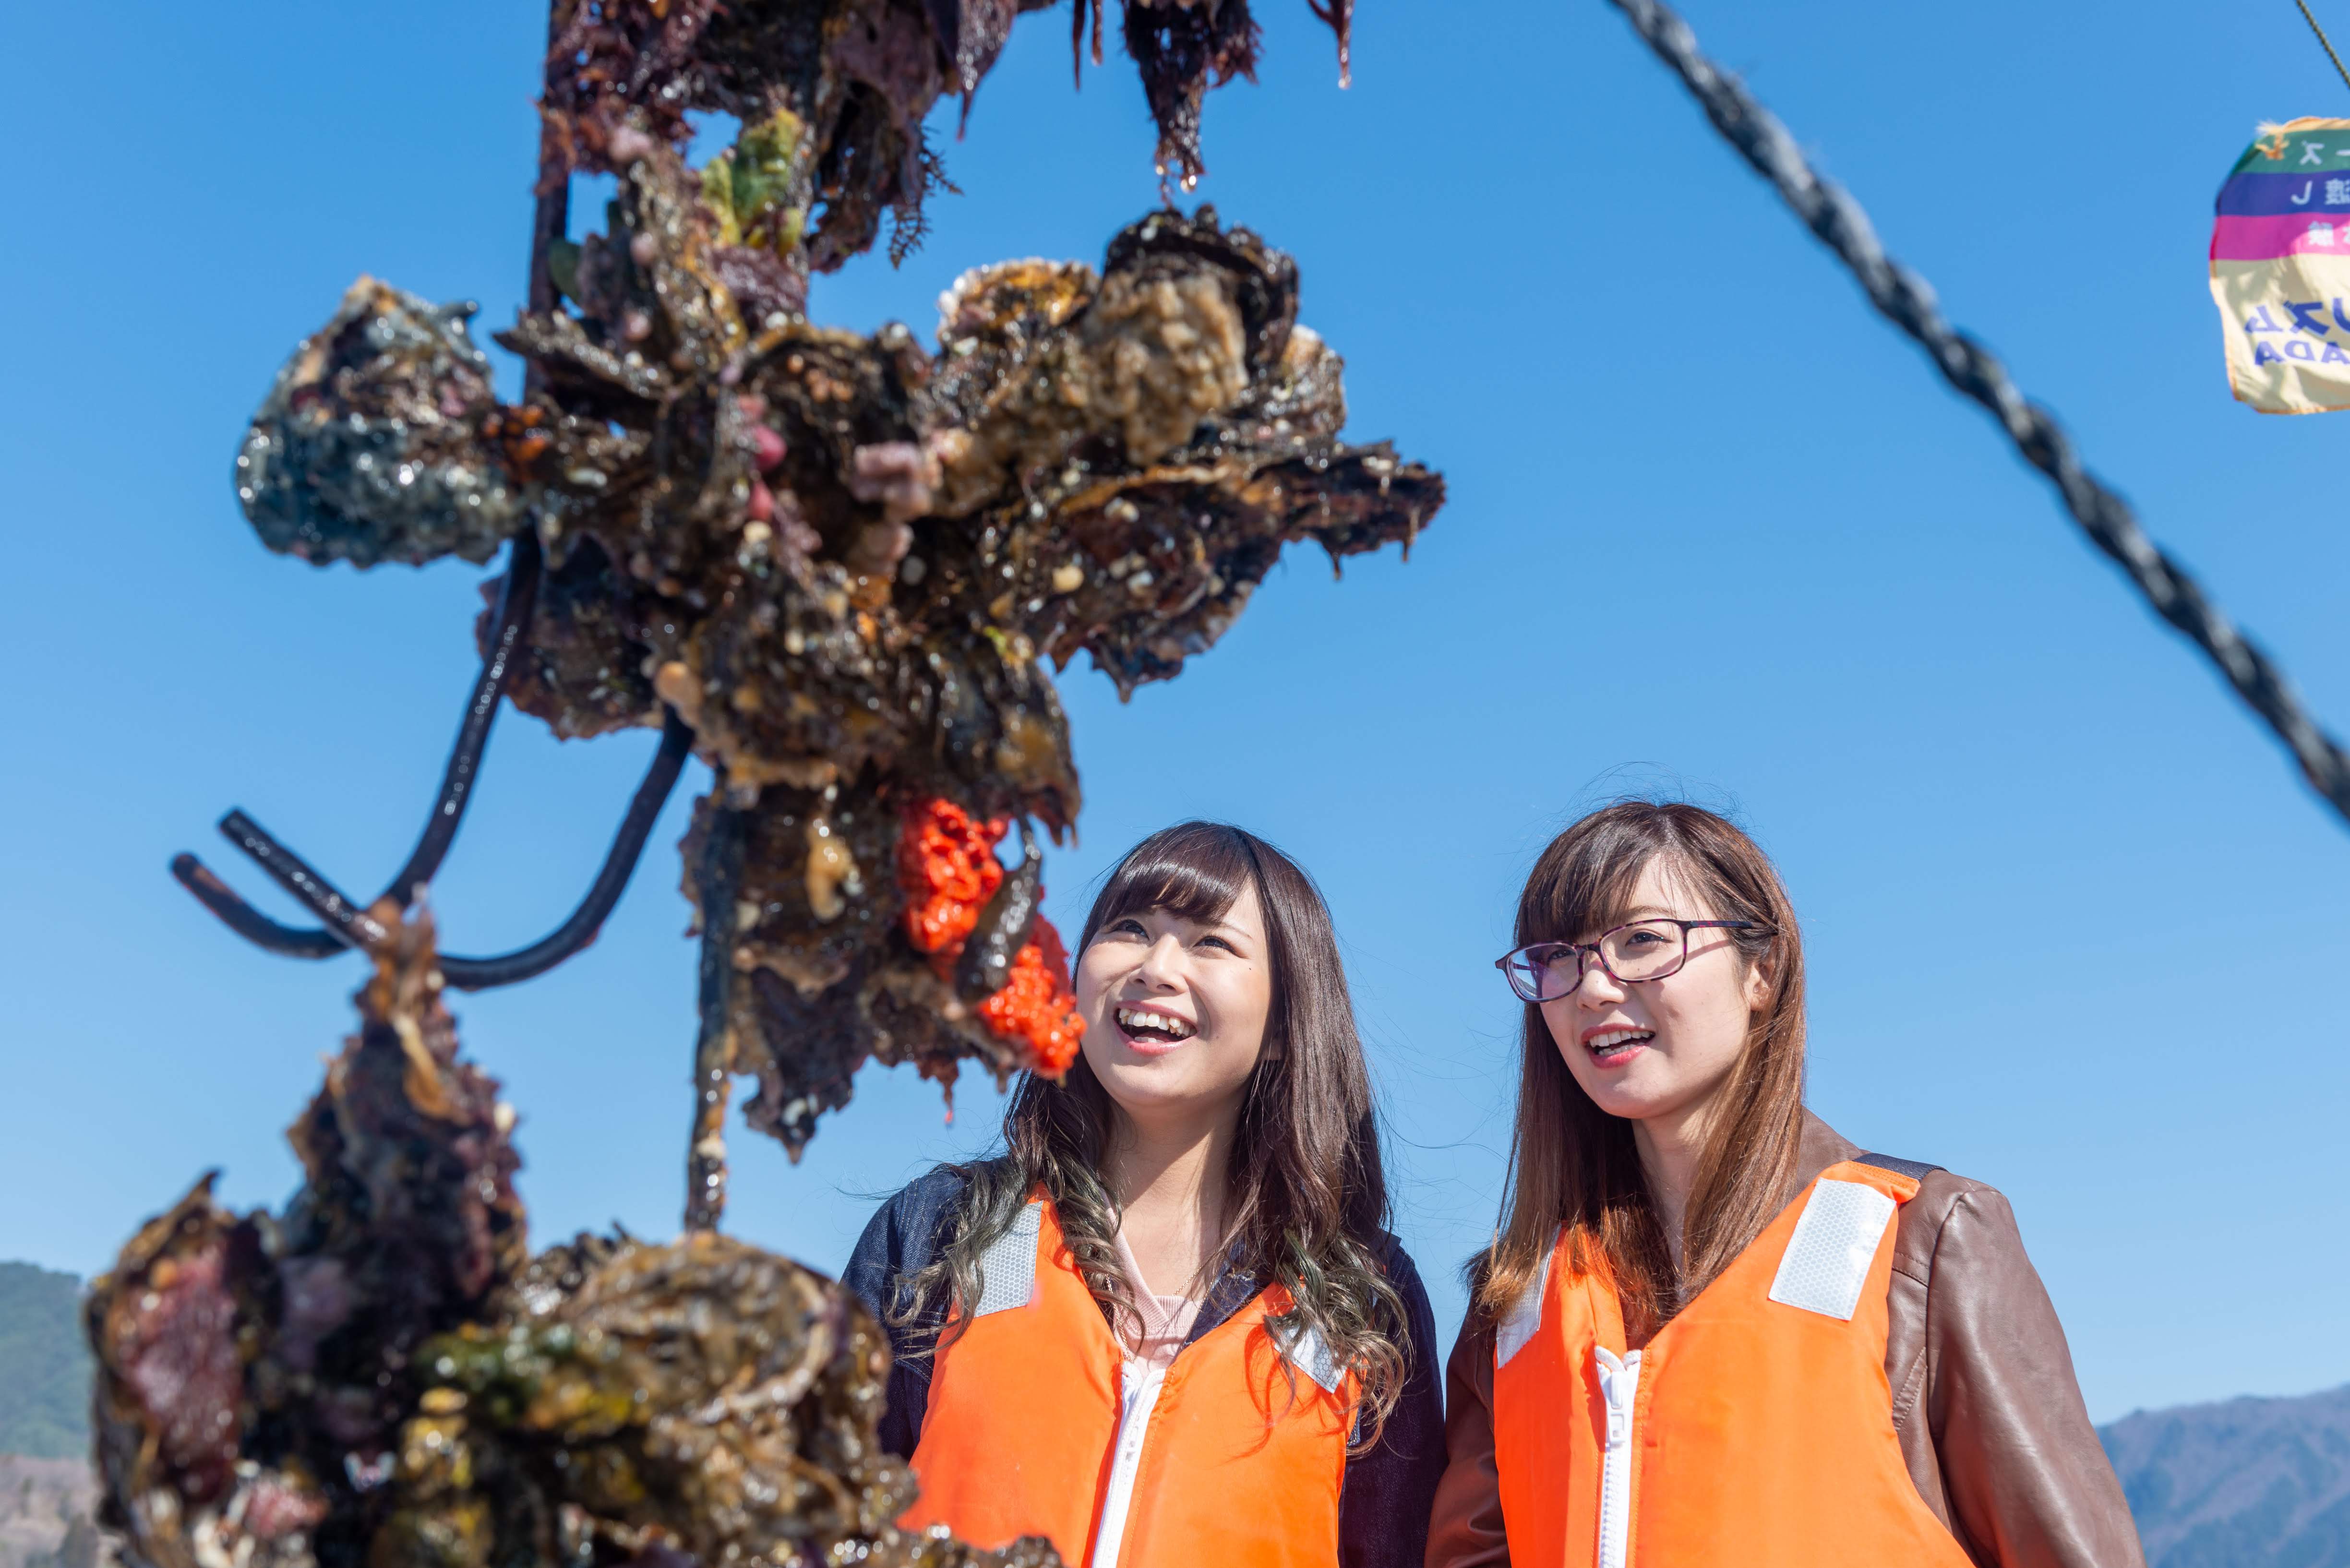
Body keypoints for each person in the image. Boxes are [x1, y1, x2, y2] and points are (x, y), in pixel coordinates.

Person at [1427, 802, 2144, 1568]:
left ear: (1760, 970)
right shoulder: (1515, 1301)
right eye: (1557, 959)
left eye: (1641, 941)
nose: (1594, 989)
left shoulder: (1925, 1239)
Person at [846, 820, 1444, 1568]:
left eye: (1210, 942)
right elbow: (821, 1512)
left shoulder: (1364, 1299)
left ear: (1286, 1025)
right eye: (1129, 928)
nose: (1156, 967)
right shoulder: (941, 1230)